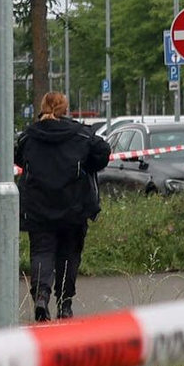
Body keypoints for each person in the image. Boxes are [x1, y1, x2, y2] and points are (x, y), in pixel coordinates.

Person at [15, 91, 111, 322]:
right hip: (73, 206)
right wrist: (87, 166)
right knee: (69, 255)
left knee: (41, 252)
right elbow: (103, 152)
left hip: (37, 206)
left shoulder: (29, 136)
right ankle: (65, 305)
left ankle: (41, 296)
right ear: (65, 109)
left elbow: (17, 157)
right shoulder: (80, 134)